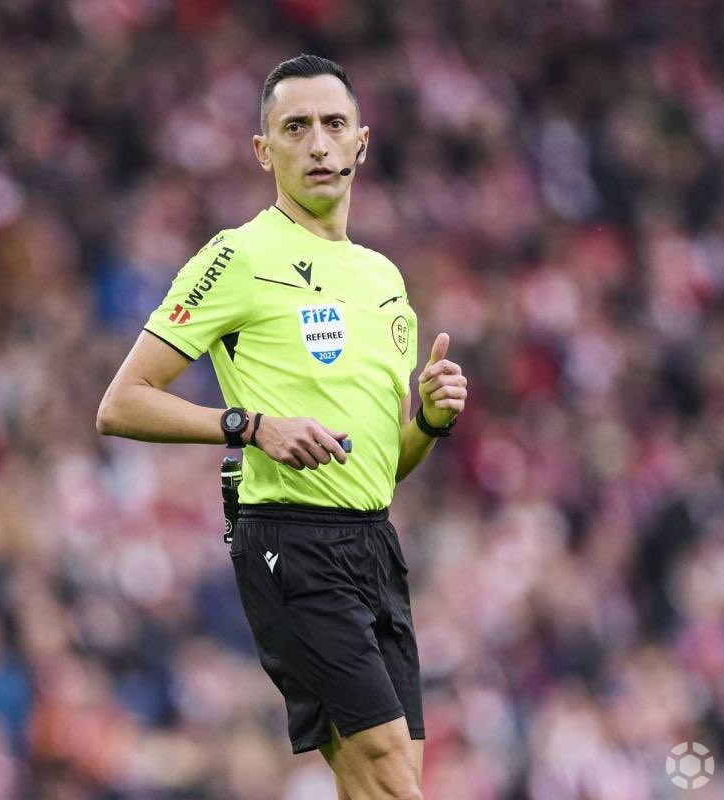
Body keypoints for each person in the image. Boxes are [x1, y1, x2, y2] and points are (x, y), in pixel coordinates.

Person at [97, 54, 467, 800]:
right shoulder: (237, 256)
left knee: (383, 780)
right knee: (389, 772)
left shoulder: (384, 279)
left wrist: (429, 421)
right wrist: (249, 426)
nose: (319, 144)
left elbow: (380, 469)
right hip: (290, 543)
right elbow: (122, 403)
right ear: (264, 151)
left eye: (333, 125)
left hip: (374, 545)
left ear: (362, 141)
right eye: (296, 128)